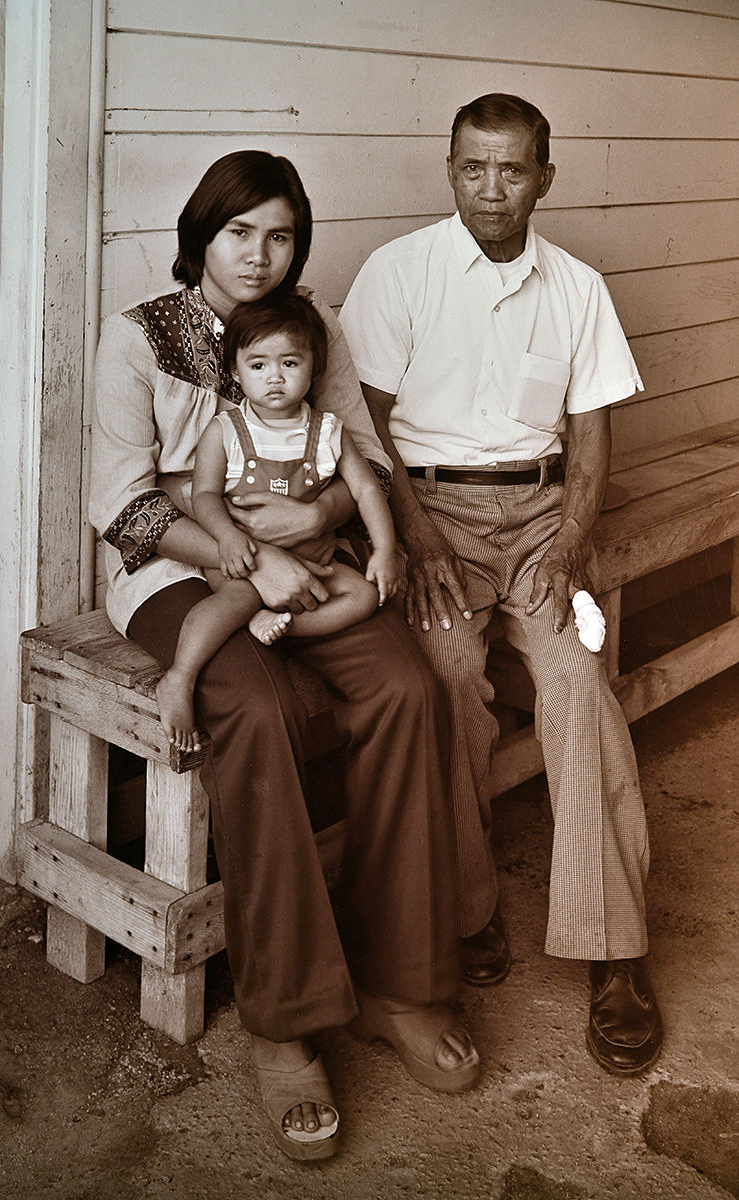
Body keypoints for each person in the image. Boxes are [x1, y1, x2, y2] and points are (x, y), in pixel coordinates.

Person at [89, 149, 480, 1161]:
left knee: (406, 684)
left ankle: (399, 982)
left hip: (308, 560)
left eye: (281, 235)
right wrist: (243, 554)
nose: (260, 257)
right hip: (178, 576)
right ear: (201, 236)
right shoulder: (138, 339)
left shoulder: (316, 328)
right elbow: (125, 504)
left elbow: (361, 457)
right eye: (239, 233)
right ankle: (287, 1021)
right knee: (257, 710)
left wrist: (319, 511)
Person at [339, 94, 663, 1077]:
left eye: (512, 169)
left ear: (543, 179)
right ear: (450, 170)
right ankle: (467, 914)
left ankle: (615, 954)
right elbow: (368, 424)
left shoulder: (577, 288)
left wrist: (568, 545)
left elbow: (595, 435)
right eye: (474, 167)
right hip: (428, 516)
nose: (492, 187)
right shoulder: (400, 273)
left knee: (576, 689)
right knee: (446, 684)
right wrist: (421, 541)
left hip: (539, 521)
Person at [156, 292, 402, 752]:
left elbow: (367, 488)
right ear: (235, 371)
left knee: (363, 596)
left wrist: (386, 550)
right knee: (231, 601)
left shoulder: (329, 431)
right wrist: (228, 538)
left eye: (289, 363)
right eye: (258, 365)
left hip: (312, 561)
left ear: (313, 369)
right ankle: (180, 676)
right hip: (246, 559)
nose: (274, 377)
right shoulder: (226, 431)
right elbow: (204, 494)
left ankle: (277, 622)